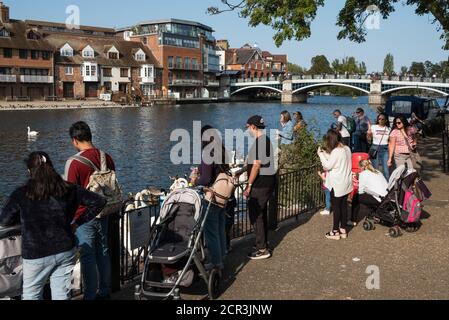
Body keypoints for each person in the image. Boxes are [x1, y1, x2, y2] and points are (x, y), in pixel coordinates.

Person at [0, 152, 106, 300]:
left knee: (32, 294)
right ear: (51, 168)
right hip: (65, 249)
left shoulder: (21, 193)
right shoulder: (69, 189)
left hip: (36, 252)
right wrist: (77, 222)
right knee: (62, 294)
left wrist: (25, 219)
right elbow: (99, 201)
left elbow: (5, 220)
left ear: (29, 171)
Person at [64, 121, 115, 300]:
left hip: (84, 216)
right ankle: (105, 291)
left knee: (87, 255)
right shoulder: (106, 157)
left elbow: (70, 195)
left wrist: (69, 221)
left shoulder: (74, 162)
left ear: (75, 140)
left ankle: (90, 296)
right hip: (105, 210)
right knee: (103, 251)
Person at [192, 125, 229, 270]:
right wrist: (200, 169)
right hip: (222, 196)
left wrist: (195, 181)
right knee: (220, 228)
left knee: (211, 232)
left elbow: (206, 179)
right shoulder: (221, 151)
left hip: (211, 196)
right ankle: (222, 255)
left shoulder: (207, 153)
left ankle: (216, 262)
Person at [244, 115, 276, 260]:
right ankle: (262, 243)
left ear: (253, 127)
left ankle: (262, 249)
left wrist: (249, 185)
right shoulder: (266, 140)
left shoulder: (259, 143)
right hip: (267, 182)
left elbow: (256, 165)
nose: (247, 130)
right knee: (261, 214)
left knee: (256, 216)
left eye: (248, 127)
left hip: (259, 184)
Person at [318, 130, 353, 240]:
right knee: (343, 206)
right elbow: (337, 161)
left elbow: (328, 166)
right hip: (346, 182)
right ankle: (343, 229)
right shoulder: (346, 149)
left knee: (336, 207)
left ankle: (335, 231)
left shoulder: (336, 151)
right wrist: (325, 154)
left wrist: (320, 155)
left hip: (337, 184)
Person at [367, 113, 391, 180]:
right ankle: (376, 184)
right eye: (379, 119)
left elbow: (390, 141)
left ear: (386, 120)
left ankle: (388, 186)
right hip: (375, 148)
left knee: (386, 169)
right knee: (375, 168)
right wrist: (368, 134)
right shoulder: (373, 127)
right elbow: (369, 140)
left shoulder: (388, 129)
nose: (380, 120)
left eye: (382, 119)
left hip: (385, 149)